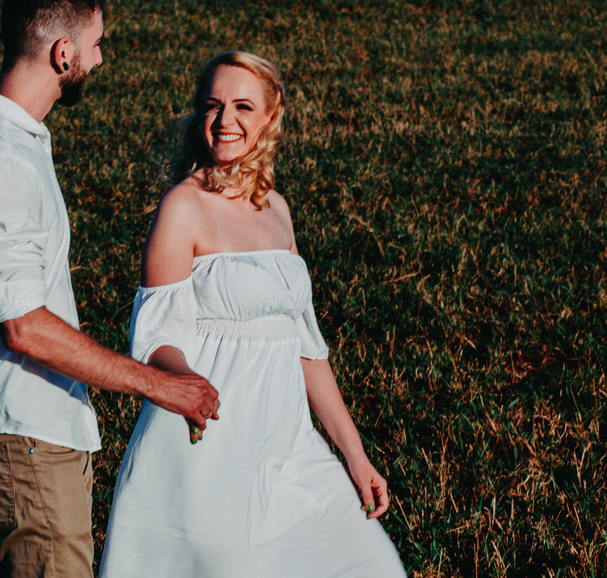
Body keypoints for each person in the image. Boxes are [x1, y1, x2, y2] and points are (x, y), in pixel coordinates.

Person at [0, 0, 221, 578]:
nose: (101, 59)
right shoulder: (1, 158)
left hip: (38, 434)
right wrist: (157, 384)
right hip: (24, 438)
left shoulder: (14, 143)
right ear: (64, 52)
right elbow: (23, 327)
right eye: (97, 43)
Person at [98, 52, 406, 577]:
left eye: (243, 106)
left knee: (371, 565)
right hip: (210, 448)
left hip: (289, 447)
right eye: (213, 106)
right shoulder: (183, 207)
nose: (225, 121)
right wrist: (187, 380)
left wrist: (355, 455)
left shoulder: (277, 210)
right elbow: (153, 338)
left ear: (269, 117)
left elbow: (306, 348)